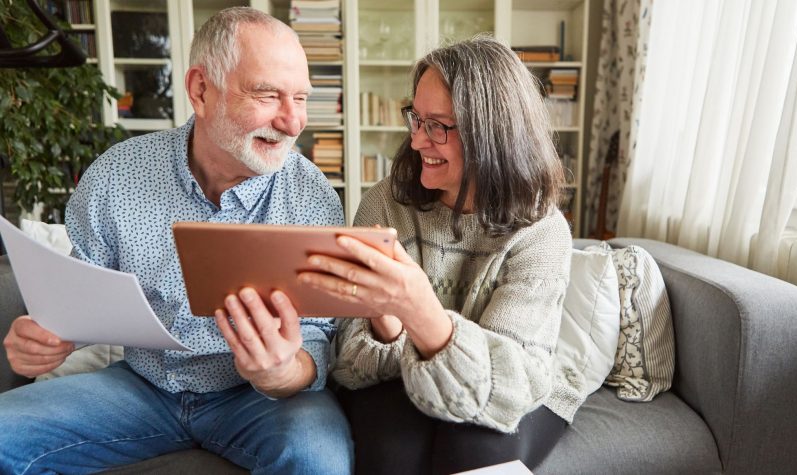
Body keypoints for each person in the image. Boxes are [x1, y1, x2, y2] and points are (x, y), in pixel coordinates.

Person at [0, 7, 352, 474]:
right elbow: (79, 299)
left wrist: (285, 373)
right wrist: (45, 337)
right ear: (201, 90)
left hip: (259, 400)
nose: (293, 122)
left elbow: (321, 332)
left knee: (318, 459)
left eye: (301, 98)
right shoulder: (117, 174)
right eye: (268, 95)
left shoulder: (311, 195)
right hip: (141, 389)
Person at [298, 36, 586, 474]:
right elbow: (350, 366)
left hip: (515, 390)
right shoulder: (385, 205)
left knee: (472, 448)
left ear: (492, 134)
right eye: (416, 119)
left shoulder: (542, 231)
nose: (416, 141)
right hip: (401, 379)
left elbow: (507, 389)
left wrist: (419, 309)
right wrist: (388, 323)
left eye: (437, 126)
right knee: (390, 449)